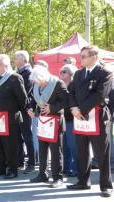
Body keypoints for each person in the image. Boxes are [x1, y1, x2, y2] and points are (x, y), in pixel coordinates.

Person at [67, 45, 113, 197]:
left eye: (83, 56)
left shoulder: (105, 73)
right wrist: (74, 108)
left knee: (102, 153)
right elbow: (71, 92)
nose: (80, 59)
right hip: (80, 117)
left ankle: (106, 185)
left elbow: (100, 95)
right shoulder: (79, 73)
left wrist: (80, 109)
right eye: (80, 56)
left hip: (98, 116)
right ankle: (82, 181)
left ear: (94, 57)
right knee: (82, 151)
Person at [28, 65, 68, 188]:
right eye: (37, 83)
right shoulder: (36, 83)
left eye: (41, 83)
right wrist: (31, 108)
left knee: (56, 151)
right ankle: (42, 174)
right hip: (42, 120)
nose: (39, 85)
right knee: (42, 149)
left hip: (55, 120)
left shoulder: (58, 84)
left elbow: (67, 101)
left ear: (45, 78)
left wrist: (52, 107)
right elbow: (33, 99)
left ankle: (57, 177)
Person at [0, 54, 27, 179]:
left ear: (6, 66)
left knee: (10, 145)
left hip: (10, 118)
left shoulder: (14, 78)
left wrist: (15, 112)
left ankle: (12, 169)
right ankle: (1, 167)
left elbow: (22, 99)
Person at [14, 50, 35, 174]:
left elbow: (25, 92)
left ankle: (31, 162)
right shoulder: (18, 72)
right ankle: (19, 161)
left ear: (22, 59)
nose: (14, 60)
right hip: (17, 109)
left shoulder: (29, 73)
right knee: (17, 136)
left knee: (27, 137)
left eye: (16, 58)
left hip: (25, 109)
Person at [59, 64, 79, 177]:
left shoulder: (74, 86)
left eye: (64, 72)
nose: (61, 73)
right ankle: (66, 167)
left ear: (71, 74)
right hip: (62, 119)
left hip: (72, 119)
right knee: (64, 146)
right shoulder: (60, 85)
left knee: (73, 146)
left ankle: (75, 168)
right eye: (61, 71)